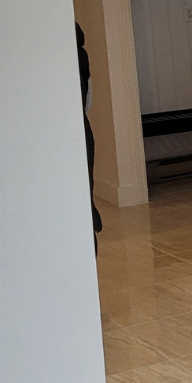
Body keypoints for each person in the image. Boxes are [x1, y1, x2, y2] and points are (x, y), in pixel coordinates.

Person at [77, 23, 103, 251]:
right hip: (81, 129)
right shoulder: (81, 54)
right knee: (85, 192)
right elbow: (88, 102)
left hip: (64, 134)